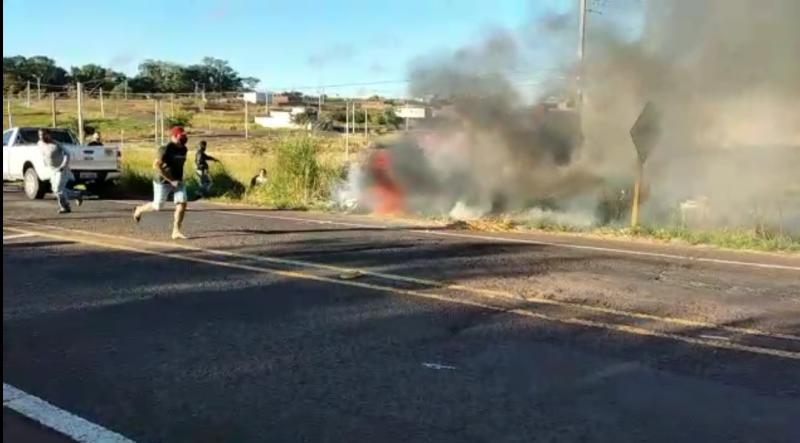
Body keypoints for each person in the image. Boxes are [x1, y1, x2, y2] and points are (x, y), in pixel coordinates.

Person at [132, 126, 189, 240]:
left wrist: (177, 180)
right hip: (162, 181)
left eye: (185, 135)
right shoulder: (165, 149)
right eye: (181, 136)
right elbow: (156, 166)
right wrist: (170, 180)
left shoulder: (184, 149)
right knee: (157, 206)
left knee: (182, 204)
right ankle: (139, 209)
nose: (184, 138)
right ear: (174, 136)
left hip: (177, 181)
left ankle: (176, 231)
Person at [38, 129, 82, 214]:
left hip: (61, 169)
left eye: (43, 135)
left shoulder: (56, 145)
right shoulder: (40, 144)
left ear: (48, 135)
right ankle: (77, 195)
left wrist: (63, 165)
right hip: (51, 169)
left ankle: (65, 207)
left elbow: (67, 154)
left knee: (58, 189)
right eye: (39, 135)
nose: (41, 137)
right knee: (56, 190)